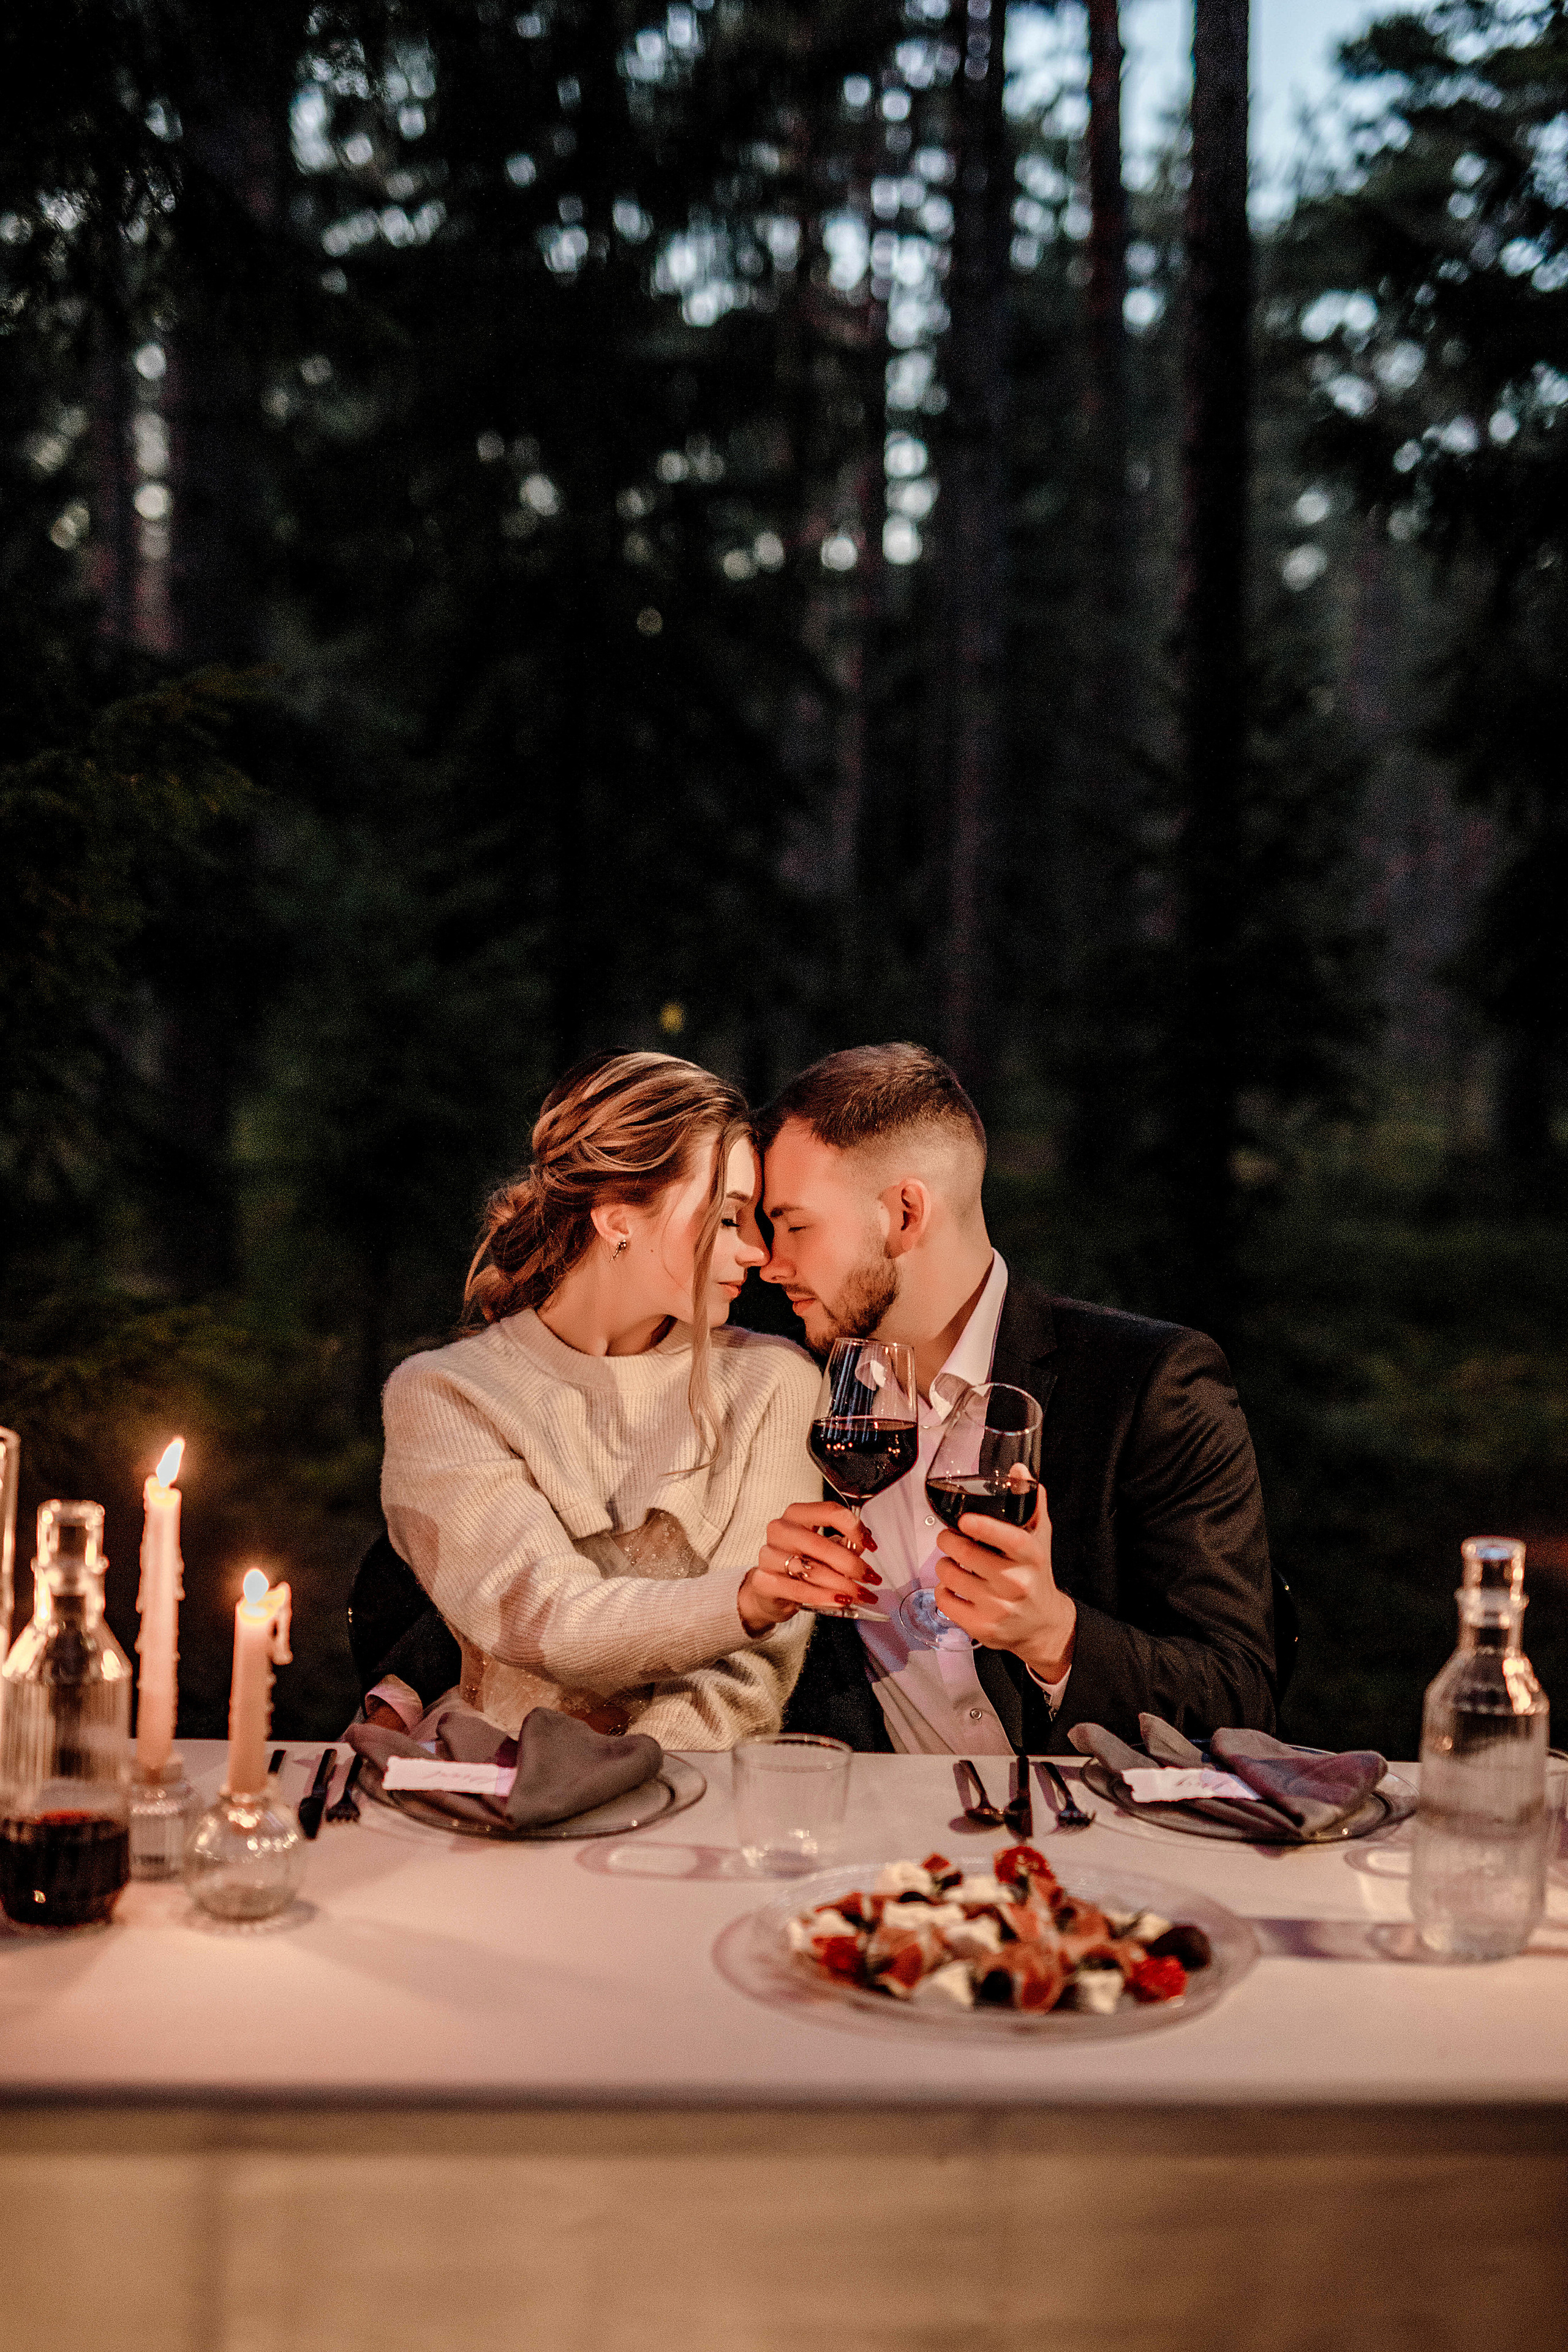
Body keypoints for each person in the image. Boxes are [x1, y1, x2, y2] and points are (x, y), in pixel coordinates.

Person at [747, 1042, 1278, 1756]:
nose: (770, 1262)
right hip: (870, 1838)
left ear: (904, 1214)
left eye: (794, 1225)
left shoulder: (1149, 1384)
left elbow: (1239, 1696)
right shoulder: (797, 1392)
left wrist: (1053, 1636)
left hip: (1086, 1836)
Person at [365, 1051, 851, 1751]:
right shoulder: (448, 1394)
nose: (757, 1252)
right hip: (488, 1787)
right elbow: (541, 1618)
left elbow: (747, 1673)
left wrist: (638, 1781)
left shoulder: (775, 1382)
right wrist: (742, 1599)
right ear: (619, 1218)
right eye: (727, 1218)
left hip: (687, 1794)